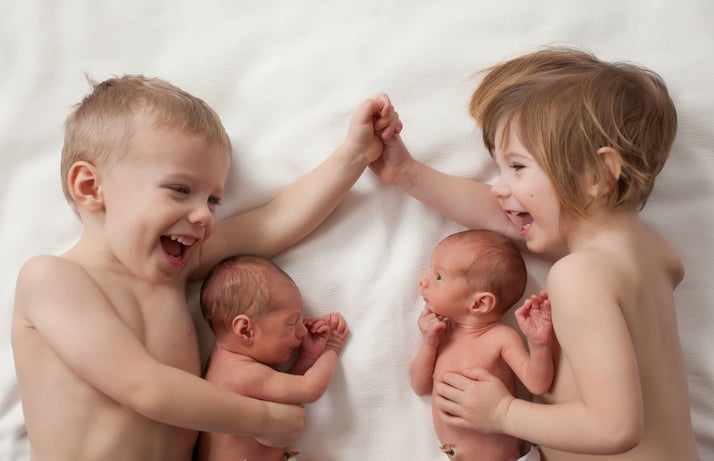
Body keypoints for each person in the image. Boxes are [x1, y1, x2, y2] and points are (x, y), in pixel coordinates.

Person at [11, 74, 401, 461]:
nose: (203, 216)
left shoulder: (173, 275)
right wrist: (261, 418)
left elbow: (272, 221)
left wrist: (354, 155)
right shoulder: (51, 279)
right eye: (180, 190)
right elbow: (142, 385)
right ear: (90, 188)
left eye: (214, 200)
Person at [371, 47, 700, 460]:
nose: (499, 188)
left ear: (596, 175)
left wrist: (503, 412)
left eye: (518, 167)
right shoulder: (650, 252)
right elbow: (510, 219)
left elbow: (615, 427)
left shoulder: (580, 275)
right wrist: (408, 175)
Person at [411, 229, 551, 461]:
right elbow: (420, 386)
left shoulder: (500, 338)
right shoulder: (442, 335)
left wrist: (539, 345)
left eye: (438, 277)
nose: (423, 280)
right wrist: (428, 343)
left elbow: (537, 384)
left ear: (480, 303)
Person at [195, 255, 349, 461]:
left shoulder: (227, 365)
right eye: (292, 322)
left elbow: (287, 394)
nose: (302, 331)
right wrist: (332, 347)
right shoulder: (241, 375)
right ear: (246, 330)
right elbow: (309, 388)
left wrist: (308, 356)